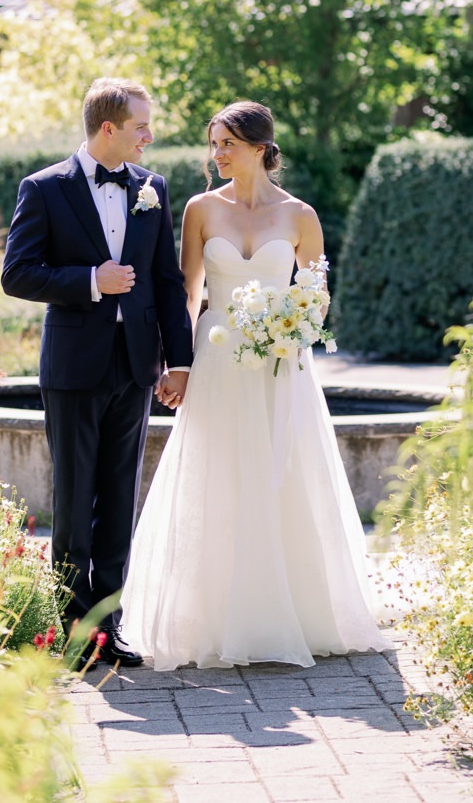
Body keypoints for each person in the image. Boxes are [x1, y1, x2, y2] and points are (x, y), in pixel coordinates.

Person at [121, 100, 388, 670]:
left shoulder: (300, 215)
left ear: (261, 149)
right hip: (216, 360)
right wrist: (179, 364)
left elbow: (315, 297)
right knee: (217, 473)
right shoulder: (199, 209)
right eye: (213, 143)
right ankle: (213, 617)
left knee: (283, 473)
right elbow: (187, 294)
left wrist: (288, 329)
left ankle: (294, 612)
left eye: (227, 145)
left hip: (278, 362)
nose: (216, 155)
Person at [1, 78, 192, 668]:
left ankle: (110, 626)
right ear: (108, 128)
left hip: (135, 365)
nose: (149, 136)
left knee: (118, 496)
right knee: (75, 493)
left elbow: (166, 281)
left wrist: (179, 362)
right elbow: (18, 274)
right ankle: (69, 627)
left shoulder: (151, 189)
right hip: (74, 365)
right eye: (141, 126)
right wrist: (90, 281)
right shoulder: (45, 188)